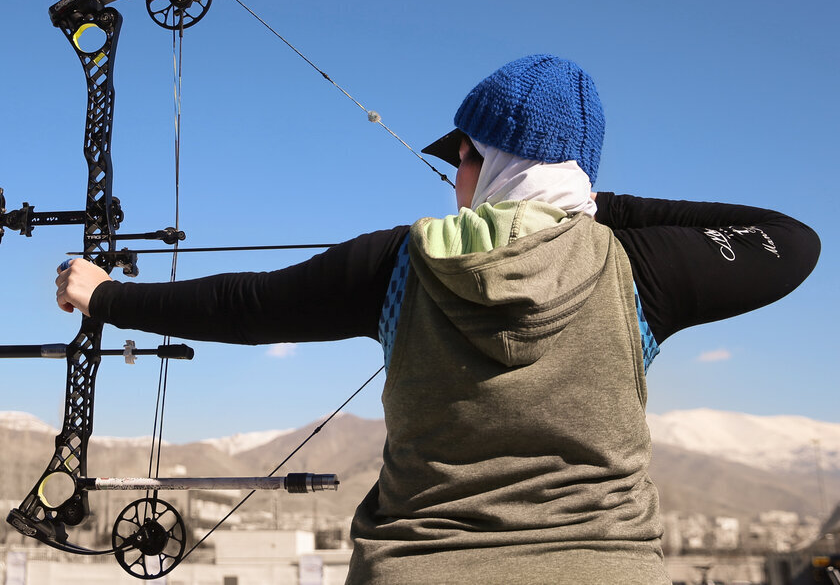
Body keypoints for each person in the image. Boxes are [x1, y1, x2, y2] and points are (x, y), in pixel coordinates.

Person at [54, 54, 820, 584]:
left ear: (488, 162)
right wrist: (595, 206)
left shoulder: (402, 263)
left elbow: (246, 305)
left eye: (461, 159)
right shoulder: (638, 271)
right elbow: (790, 239)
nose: (454, 181)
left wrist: (105, 295)